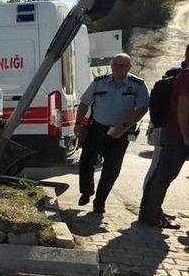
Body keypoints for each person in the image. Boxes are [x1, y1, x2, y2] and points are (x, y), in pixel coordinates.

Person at [73, 53, 149, 214]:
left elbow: (142, 108)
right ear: (112, 66)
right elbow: (84, 103)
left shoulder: (137, 85)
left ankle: (100, 202)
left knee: (111, 168)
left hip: (120, 131)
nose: (119, 68)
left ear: (129, 67)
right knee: (86, 162)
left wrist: (125, 126)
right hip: (97, 128)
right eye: (117, 65)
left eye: (124, 66)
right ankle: (86, 191)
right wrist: (78, 123)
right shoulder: (99, 82)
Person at [139, 61, 189, 228]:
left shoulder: (183, 76)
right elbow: (182, 109)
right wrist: (186, 138)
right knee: (163, 176)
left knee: (161, 174)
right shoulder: (186, 77)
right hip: (177, 135)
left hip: (175, 134)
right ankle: (151, 216)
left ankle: (149, 212)